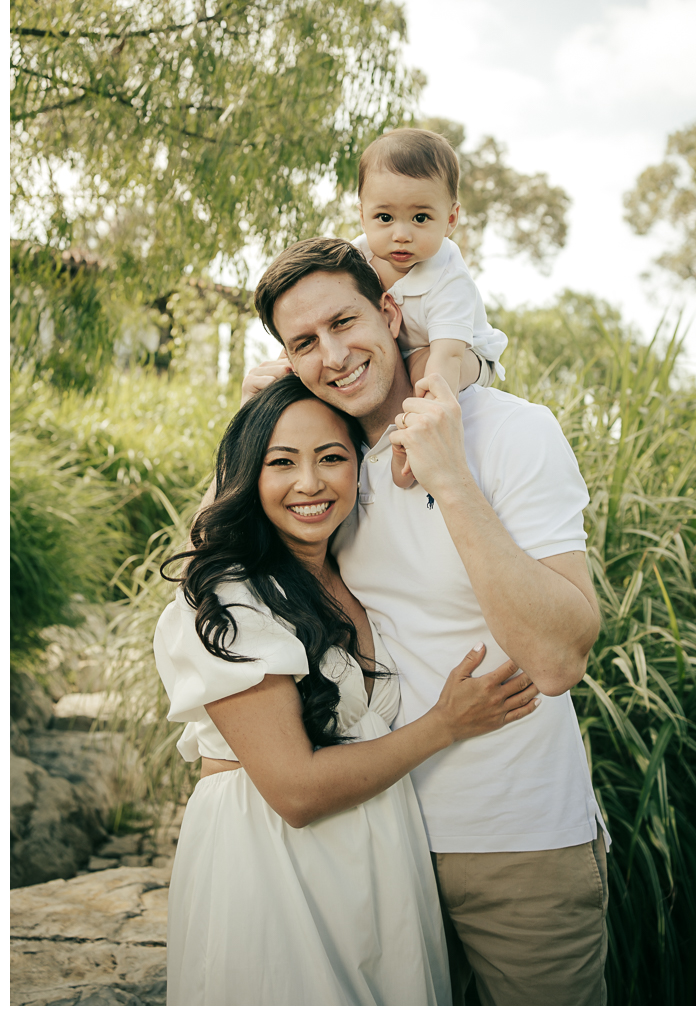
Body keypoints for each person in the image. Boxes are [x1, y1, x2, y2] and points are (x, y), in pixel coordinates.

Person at [244, 236, 611, 1006]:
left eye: (345, 322)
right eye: (305, 343)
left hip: (520, 841)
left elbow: (556, 660)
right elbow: (233, 584)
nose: (335, 354)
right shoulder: (326, 466)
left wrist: (449, 473)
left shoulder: (512, 431)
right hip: (378, 841)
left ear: (388, 309)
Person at [154, 374, 540, 1006]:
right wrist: (445, 724)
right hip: (274, 863)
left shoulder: (347, 574)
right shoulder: (228, 595)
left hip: (376, 862)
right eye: (282, 463)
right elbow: (295, 791)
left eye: (331, 458)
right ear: (247, 476)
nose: (310, 483)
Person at [353, 127, 508, 488]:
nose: (401, 234)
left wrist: (426, 420)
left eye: (420, 218)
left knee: (423, 371)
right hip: (399, 349)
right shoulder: (355, 256)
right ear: (363, 216)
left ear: (450, 220)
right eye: (385, 218)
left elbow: (446, 360)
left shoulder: (449, 279)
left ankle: (410, 452)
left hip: (462, 353)